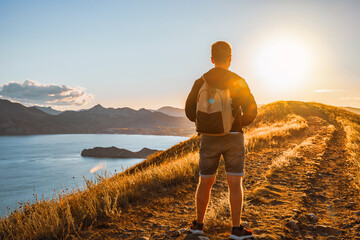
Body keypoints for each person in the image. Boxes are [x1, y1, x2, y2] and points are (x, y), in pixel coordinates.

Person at [185, 41, 257, 239]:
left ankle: (198, 226)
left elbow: (189, 111)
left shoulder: (201, 82)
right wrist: (239, 123)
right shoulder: (238, 81)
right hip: (233, 137)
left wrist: (207, 123)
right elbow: (252, 109)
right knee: (234, 182)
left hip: (209, 138)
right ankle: (236, 230)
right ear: (230, 59)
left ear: (211, 59)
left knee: (205, 181)